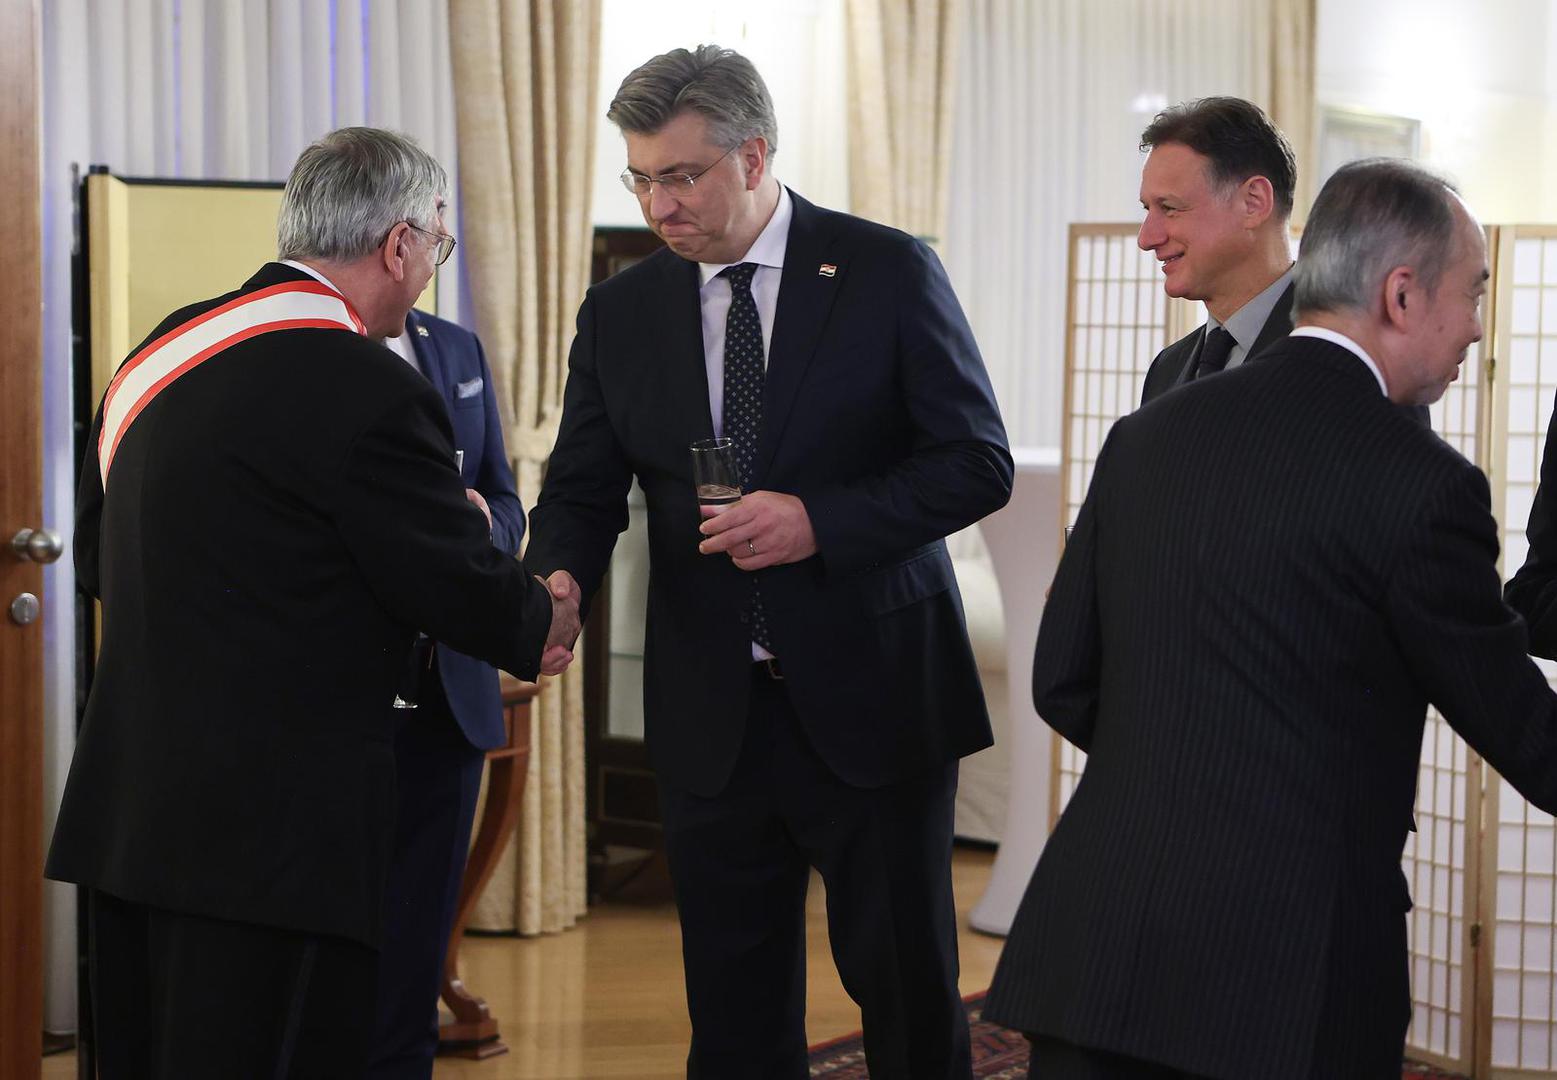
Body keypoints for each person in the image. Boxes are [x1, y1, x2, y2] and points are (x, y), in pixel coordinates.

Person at [983, 158, 1557, 1079]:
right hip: (1286, 977)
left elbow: (1063, 677)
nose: (1478, 328)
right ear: (1402, 295)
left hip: (1094, 942)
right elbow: (1527, 732)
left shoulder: (1149, 434)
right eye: (1473, 293)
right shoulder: (1421, 485)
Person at [46, 127, 578, 1078]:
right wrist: (541, 619)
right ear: (399, 244)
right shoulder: (368, 385)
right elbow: (453, 584)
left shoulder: (156, 355)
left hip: (135, 808)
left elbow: (97, 563)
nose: (429, 274)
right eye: (437, 250)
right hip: (276, 833)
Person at [525, 45, 1012, 1079]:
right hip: (714, 712)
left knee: (907, 994)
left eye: (681, 175)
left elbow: (976, 463)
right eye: (641, 177)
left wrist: (818, 522)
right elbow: (578, 486)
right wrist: (556, 576)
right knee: (735, 1014)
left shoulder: (884, 270)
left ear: (754, 156)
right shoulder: (621, 310)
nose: (659, 205)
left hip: (874, 699)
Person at [367, 307, 525, 1077]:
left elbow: (505, 496)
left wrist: (481, 528)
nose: (438, 242)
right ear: (398, 237)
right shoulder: (302, 343)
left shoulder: (454, 346)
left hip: (451, 687)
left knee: (419, 935)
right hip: (340, 694)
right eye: (434, 227)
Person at [1136, 97, 1298, 404]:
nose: (1147, 238)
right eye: (1147, 208)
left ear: (1254, 202)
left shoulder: (1346, 359)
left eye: (1169, 207)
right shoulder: (1167, 369)